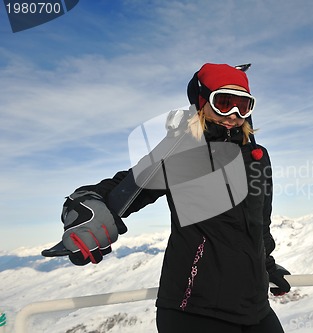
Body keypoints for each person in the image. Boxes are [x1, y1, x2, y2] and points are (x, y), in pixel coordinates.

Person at [57, 63, 291, 332]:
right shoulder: (182, 152)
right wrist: (87, 202)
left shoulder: (258, 158)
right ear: (202, 102)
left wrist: (266, 266)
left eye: (243, 104)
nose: (234, 115)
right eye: (224, 102)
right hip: (194, 310)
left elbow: (259, 225)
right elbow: (127, 187)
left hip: (255, 306)